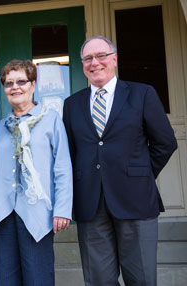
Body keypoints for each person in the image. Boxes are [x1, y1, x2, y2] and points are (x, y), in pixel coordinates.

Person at [63, 35, 178, 286]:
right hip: (90, 204)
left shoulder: (142, 94)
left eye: (101, 56)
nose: (95, 63)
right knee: (99, 281)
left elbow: (165, 142)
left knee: (141, 279)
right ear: (83, 64)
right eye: (88, 58)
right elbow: (69, 154)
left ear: (114, 59)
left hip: (135, 199)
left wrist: (140, 174)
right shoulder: (71, 105)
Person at [0, 59, 73, 285]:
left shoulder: (50, 119)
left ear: (33, 85)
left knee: (38, 279)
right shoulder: (0, 127)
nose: (15, 87)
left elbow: (62, 167)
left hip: (37, 215)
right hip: (4, 214)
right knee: (7, 280)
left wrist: (62, 209)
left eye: (21, 81)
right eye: (8, 83)